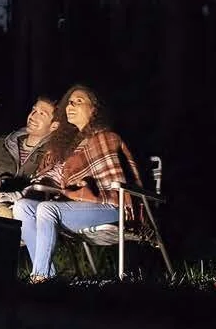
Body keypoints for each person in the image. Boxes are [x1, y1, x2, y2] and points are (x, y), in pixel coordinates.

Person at [12, 83, 140, 281]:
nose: (70, 105)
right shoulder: (70, 146)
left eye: (78, 101)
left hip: (113, 205)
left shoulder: (106, 138)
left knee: (47, 209)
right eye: (69, 102)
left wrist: (86, 186)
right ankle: (47, 275)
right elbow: (60, 179)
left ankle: (39, 278)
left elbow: (116, 181)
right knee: (22, 207)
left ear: (94, 109)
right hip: (79, 205)